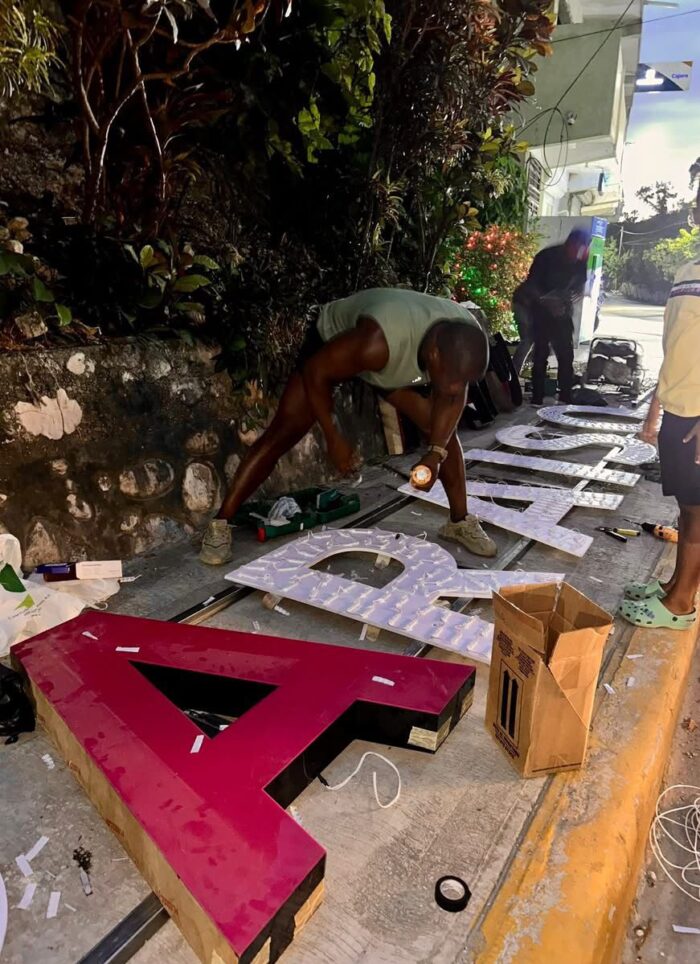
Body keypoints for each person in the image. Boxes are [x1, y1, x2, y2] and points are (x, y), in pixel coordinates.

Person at [199, 288, 496, 565]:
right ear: (434, 356)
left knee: (442, 432)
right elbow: (317, 373)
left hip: (392, 365)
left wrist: (435, 453)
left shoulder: (464, 340)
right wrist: (333, 437)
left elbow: (453, 398)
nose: (455, 389)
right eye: (451, 381)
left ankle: (460, 522)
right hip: (336, 347)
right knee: (284, 431)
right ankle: (220, 524)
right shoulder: (374, 344)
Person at [619, 260, 700, 629]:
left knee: (699, 512)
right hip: (680, 408)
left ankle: (681, 603)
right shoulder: (687, 271)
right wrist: (656, 405)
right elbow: (675, 348)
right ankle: (675, 585)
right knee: (688, 508)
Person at [526, 229, 590, 406]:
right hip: (541, 311)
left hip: (562, 312)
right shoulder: (546, 257)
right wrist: (546, 301)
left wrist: (576, 294)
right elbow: (531, 284)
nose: (579, 253)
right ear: (570, 244)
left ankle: (565, 396)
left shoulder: (580, 261)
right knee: (541, 353)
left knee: (566, 354)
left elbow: (581, 282)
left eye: (583, 249)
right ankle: (537, 397)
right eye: (578, 248)